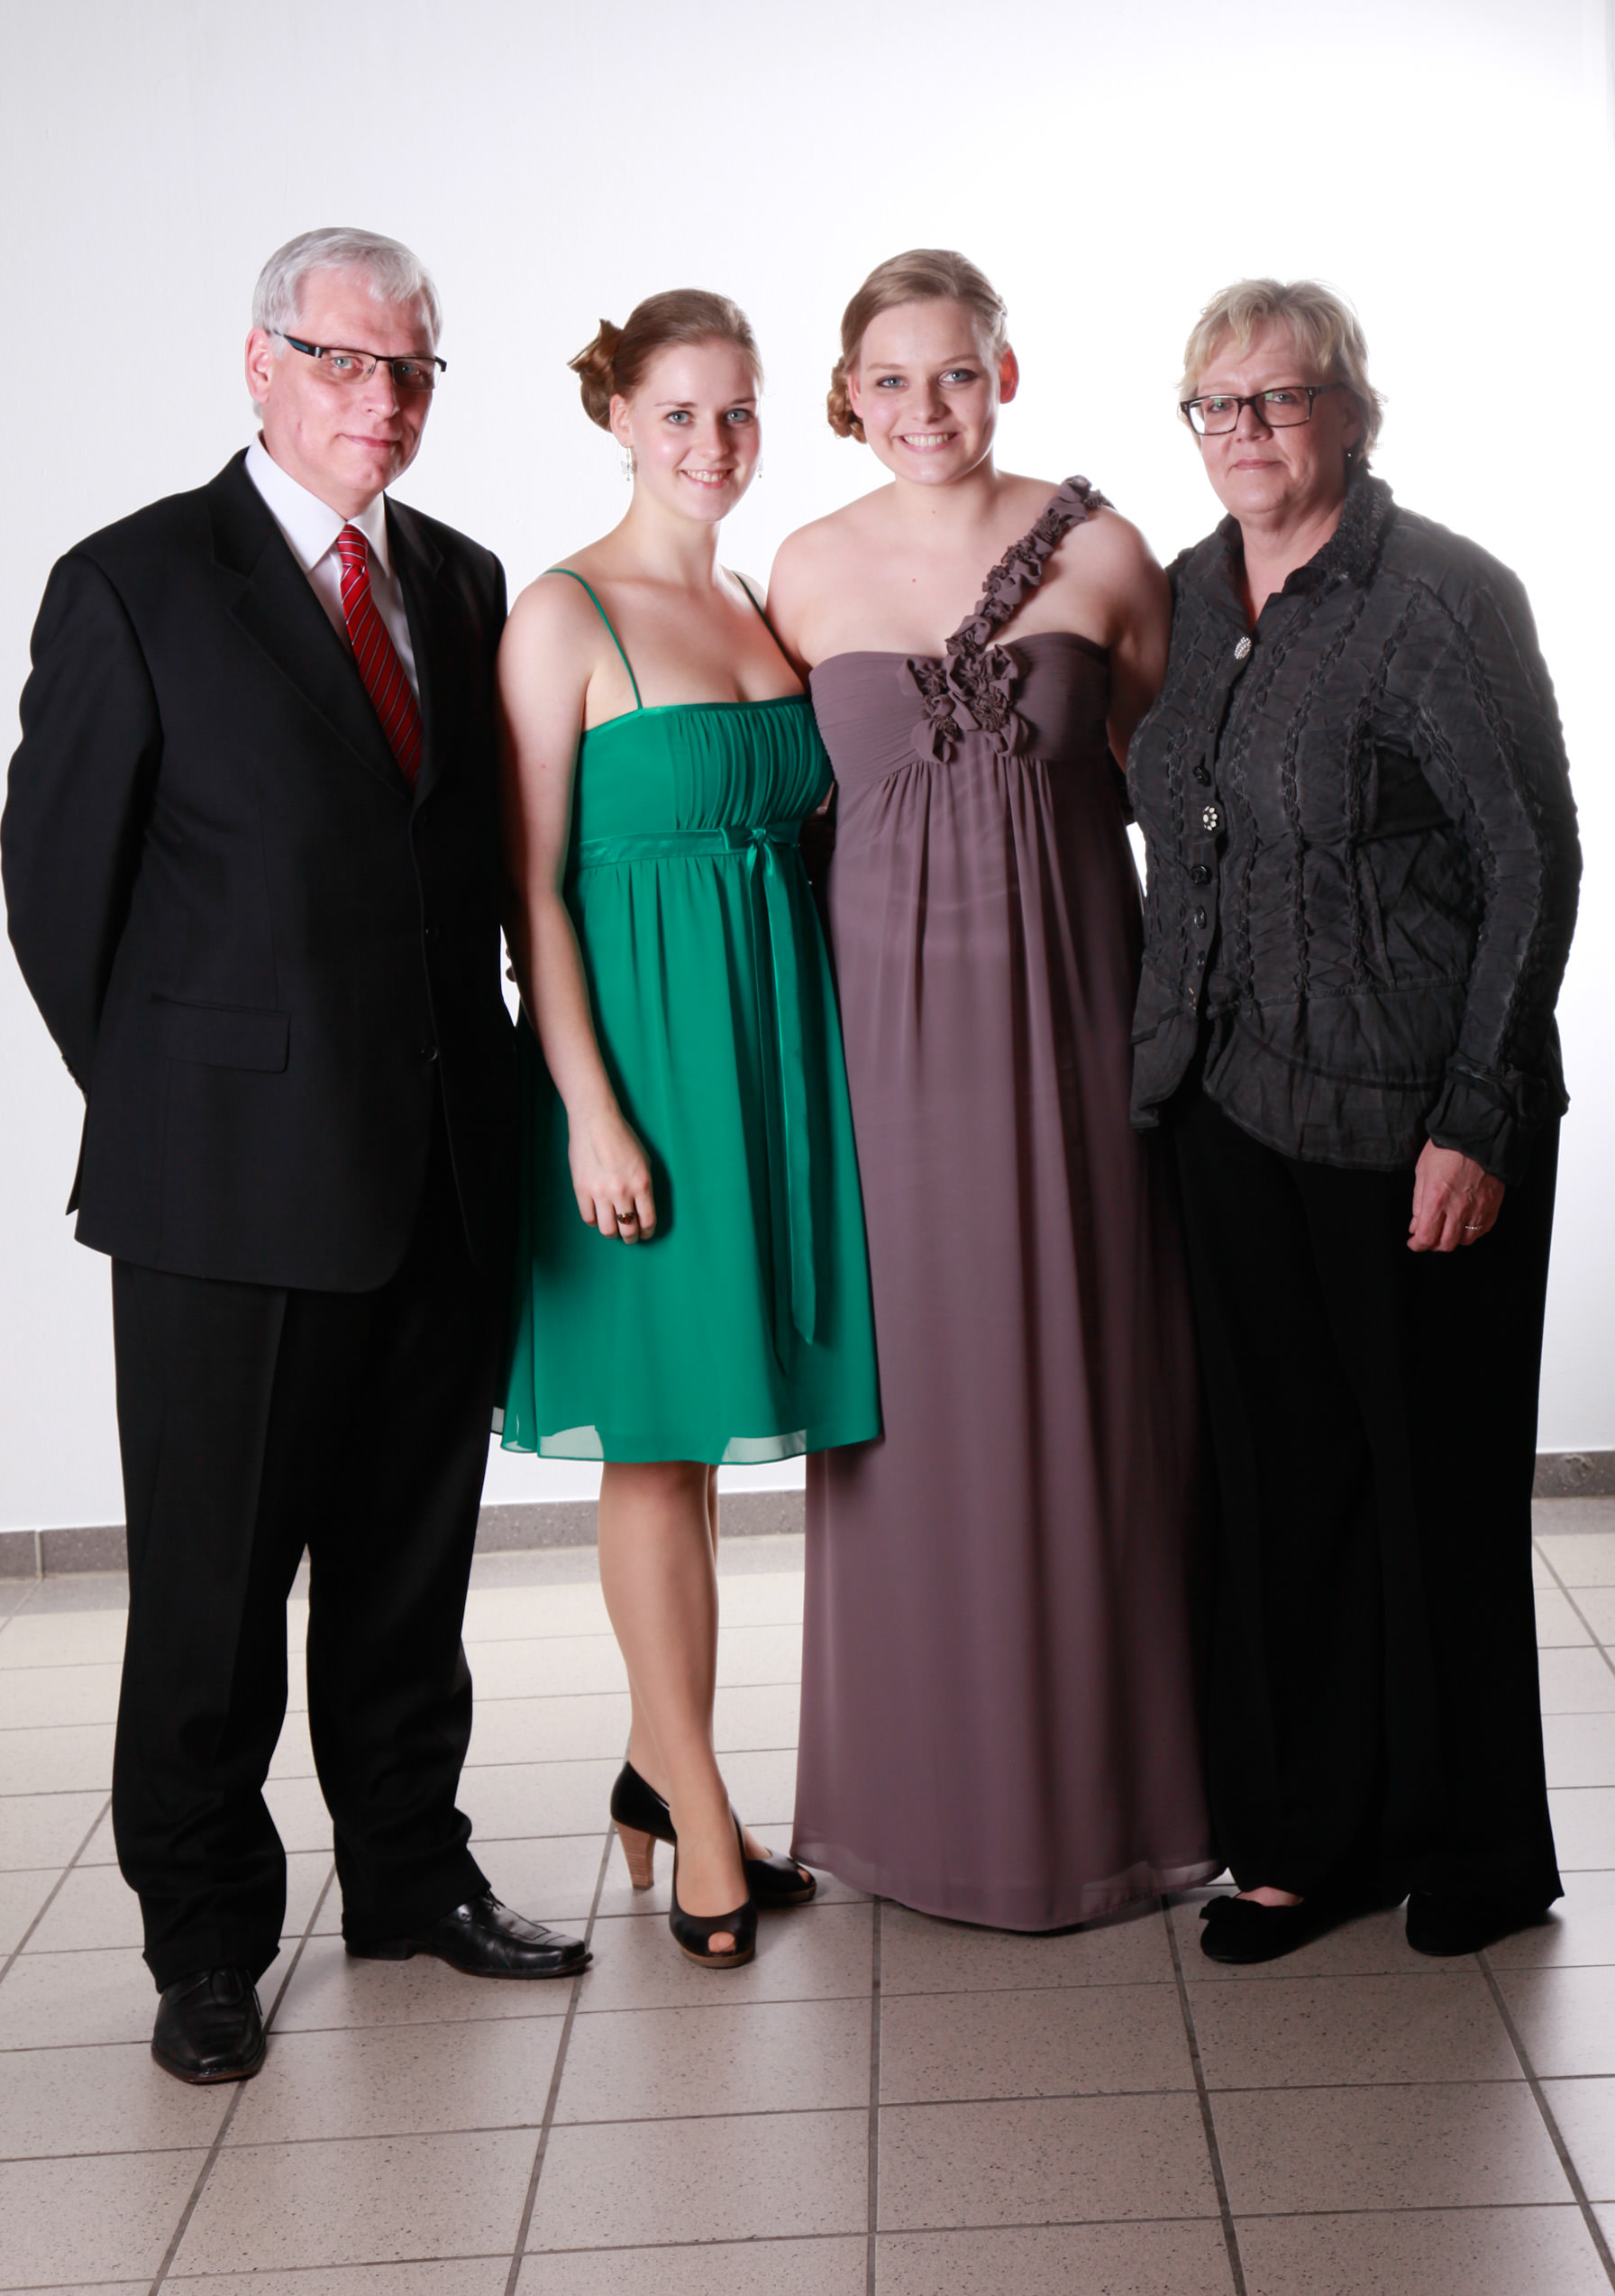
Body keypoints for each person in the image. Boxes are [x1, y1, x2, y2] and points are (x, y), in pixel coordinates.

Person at [2, 227, 589, 2087]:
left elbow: (476, 870)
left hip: (440, 1163)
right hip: (226, 1188)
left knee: (409, 1571)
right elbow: (57, 896)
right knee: (213, 1592)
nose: (380, 399)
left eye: (411, 368)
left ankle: (409, 1875)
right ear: (259, 365)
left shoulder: (462, 579)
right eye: (342, 360)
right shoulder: (132, 583)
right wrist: (195, 1105)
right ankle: (202, 1938)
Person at [1127, 278, 1581, 1963]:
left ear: (1349, 409)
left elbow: (1533, 858)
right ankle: (1311, 1843)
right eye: (1217, 404)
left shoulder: (1442, 595)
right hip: (1229, 1103)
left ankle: (1478, 1847)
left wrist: (1479, 1113)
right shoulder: (1189, 595)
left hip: (1412, 1117)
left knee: (1435, 1490)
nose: (1246, 430)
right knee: (1284, 1490)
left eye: (1280, 397)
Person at [767, 249, 1218, 1930]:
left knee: (1096, 1388)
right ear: (849, 396)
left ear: (1005, 374)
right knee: (910, 1417)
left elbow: (1189, 801)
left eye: (955, 371)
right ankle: (916, 1803)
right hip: (881, 1061)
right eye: (890, 379)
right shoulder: (802, 570)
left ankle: (1111, 1804)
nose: (925, 406)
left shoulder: (1104, 551)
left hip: (1082, 1029)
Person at [497, 290, 880, 1969]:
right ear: (618, 418)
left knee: (709, 1442)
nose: (713, 444)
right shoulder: (562, 613)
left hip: (770, 1063)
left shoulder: (754, 604)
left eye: (737, 413)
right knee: (655, 1447)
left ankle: (666, 1771)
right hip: (642, 1075)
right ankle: (703, 1818)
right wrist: (591, 1114)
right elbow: (529, 892)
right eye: (679, 414)